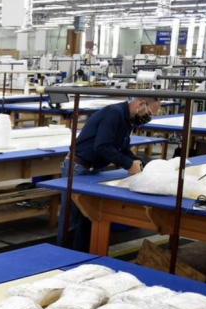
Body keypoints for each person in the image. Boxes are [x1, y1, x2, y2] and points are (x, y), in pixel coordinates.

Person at [57, 97, 160, 252]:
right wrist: (128, 164)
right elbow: (102, 146)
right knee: (71, 218)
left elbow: (122, 148)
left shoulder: (127, 119)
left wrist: (138, 163)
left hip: (93, 169)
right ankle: (62, 255)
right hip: (78, 167)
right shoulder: (115, 113)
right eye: (150, 112)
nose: (149, 116)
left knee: (87, 215)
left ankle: (80, 256)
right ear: (140, 104)